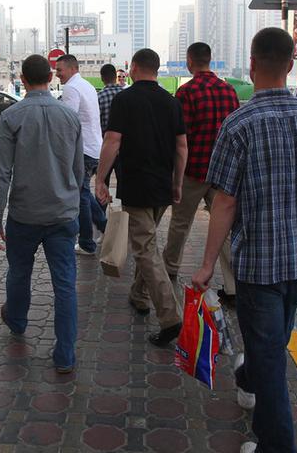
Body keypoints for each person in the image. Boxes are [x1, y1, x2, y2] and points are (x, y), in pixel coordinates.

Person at [191, 28, 297, 453]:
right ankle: (248, 379)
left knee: (269, 356)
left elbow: (225, 203)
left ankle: (276, 445)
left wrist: (208, 263)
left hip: (259, 269)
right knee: (272, 343)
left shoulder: (237, 124)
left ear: (251, 66)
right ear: (290, 66)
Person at [0, 54, 83, 374]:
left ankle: (17, 320)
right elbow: (78, 171)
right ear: (51, 78)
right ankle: (65, 354)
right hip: (62, 216)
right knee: (65, 284)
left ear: (24, 80)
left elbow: (0, 173)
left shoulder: (12, 116)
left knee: (18, 272)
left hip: (24, 215)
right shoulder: (69, 117)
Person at [96, 48, 187, 347]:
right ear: (157, 69)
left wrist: (100, 179)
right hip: (162, 186)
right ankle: (139, 296)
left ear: (134, 67)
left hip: (136, 185)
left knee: (145, 249)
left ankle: (171, 317)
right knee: (146, 243)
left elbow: (112, 140)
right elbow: (181, 147)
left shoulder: (125, 99)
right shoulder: (171, 102)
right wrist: (177, 183)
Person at [162, 42, 239, 306]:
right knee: (225, 228)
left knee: (180, 224)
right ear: (210, 60)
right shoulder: (229, 91)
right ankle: (232, 287)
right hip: (223, 174)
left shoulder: (187, 92)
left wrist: (175, 173)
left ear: (190, 62)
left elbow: (181, 138)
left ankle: (170, 269)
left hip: (194, 169)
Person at [56, 54, 107, 255]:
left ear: (72, 68)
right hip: (95, 148)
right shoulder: (85, 85)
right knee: (83, 192)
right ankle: (104, 226)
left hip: (83, 150)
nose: (57, 74)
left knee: (81, 197)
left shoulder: (71, 88)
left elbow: (68, 122)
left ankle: (87, 243)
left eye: (60, 70)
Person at [96, 64, 123, 133]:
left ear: (102, 78)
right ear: (115, 76)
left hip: (106, 138)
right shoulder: (126, 93)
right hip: (126, 139)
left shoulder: (99, 96)